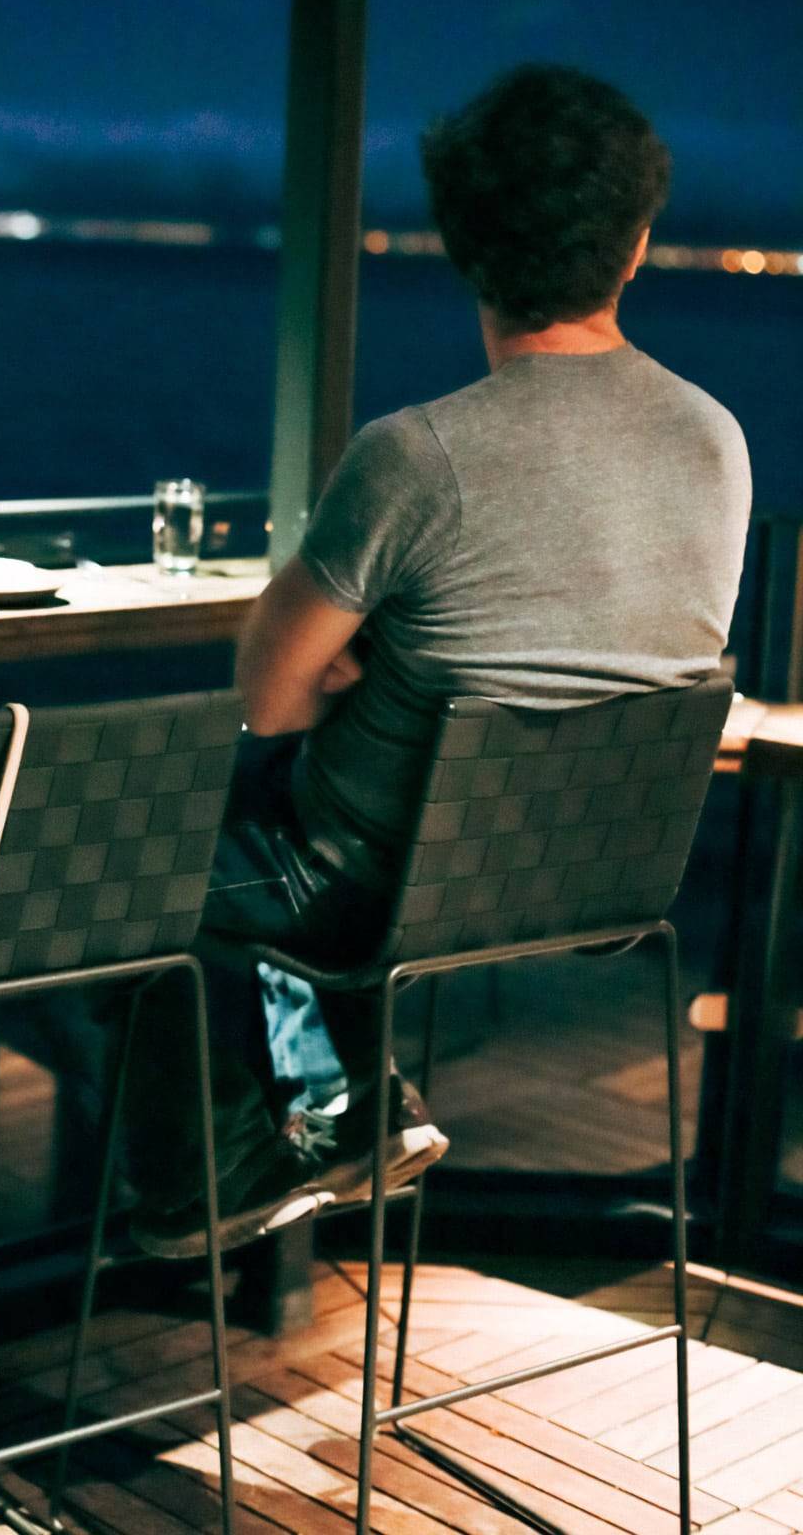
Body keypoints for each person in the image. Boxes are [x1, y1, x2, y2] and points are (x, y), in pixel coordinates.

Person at [126, 62, 752, 1259]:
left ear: (466, 249)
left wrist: (352, 654)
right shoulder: (718, 442)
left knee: (154, 870)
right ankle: (348, 1110)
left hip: (383, 882)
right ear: (634, 247)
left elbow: (268, 694)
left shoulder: (416, 456)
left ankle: (212, 1180)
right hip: (604, 878)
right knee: (276, 838)